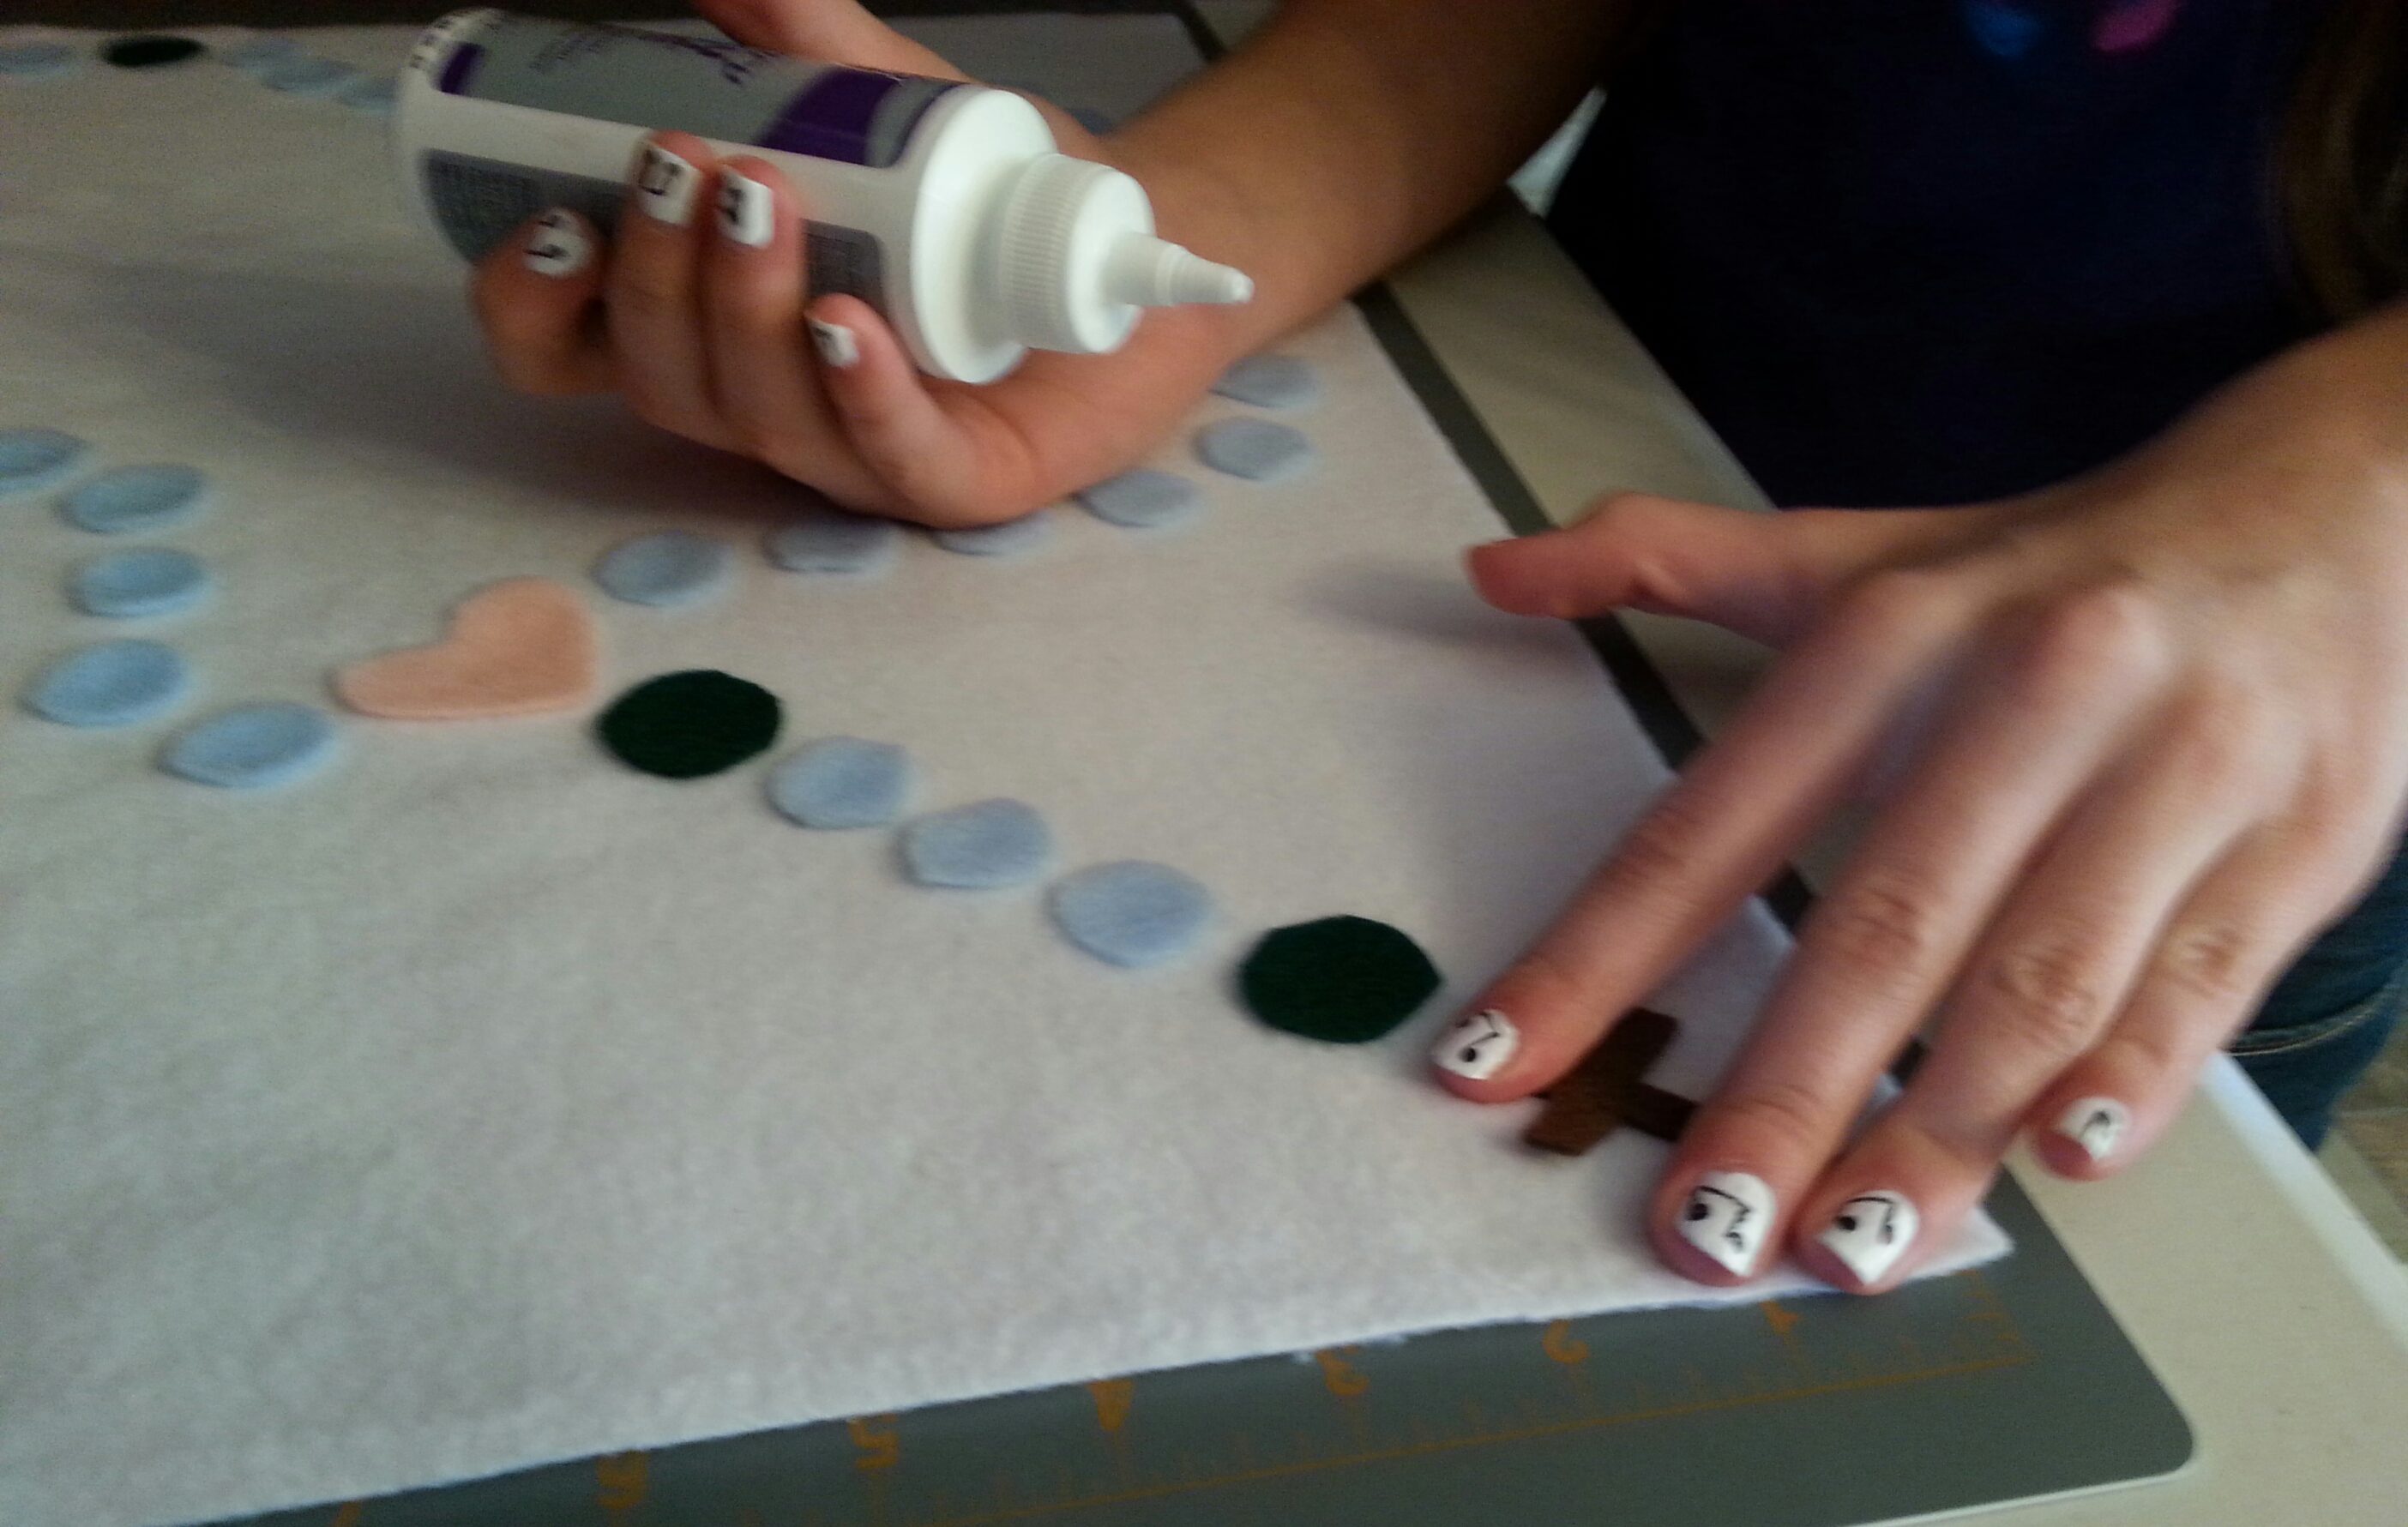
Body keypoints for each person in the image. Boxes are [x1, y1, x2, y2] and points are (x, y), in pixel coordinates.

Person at [468, 0, 2408, 1293]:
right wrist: (1174, 237)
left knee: (2148, 1279)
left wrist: (2370, 463)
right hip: (1583, 514)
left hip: (2244, 748)